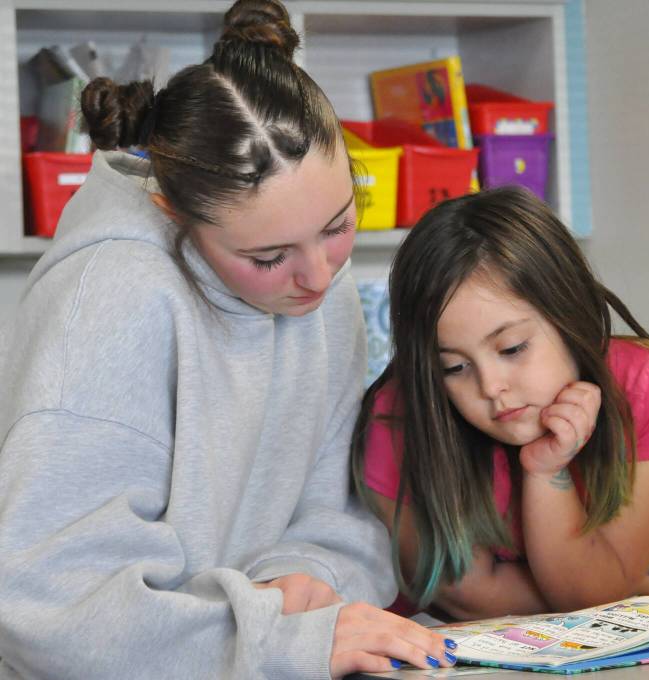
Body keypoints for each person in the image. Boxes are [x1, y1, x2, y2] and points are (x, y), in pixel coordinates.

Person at [0, 1, 456, 677]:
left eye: (338, 226)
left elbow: (349, 509)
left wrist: (303, 578)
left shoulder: (317, 285)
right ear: (172, 210)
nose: (319, 276)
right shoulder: (106, 302)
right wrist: (273, 641)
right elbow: (43, 604)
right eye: (268, 258)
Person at [350, 185, 649, 620]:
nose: (491, 386)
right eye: (453, 368)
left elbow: (590, 593)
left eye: (512, 348)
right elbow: (471, 599)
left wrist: (546, 470)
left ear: (570, 313)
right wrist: (637, 586)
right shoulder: (401, 417)